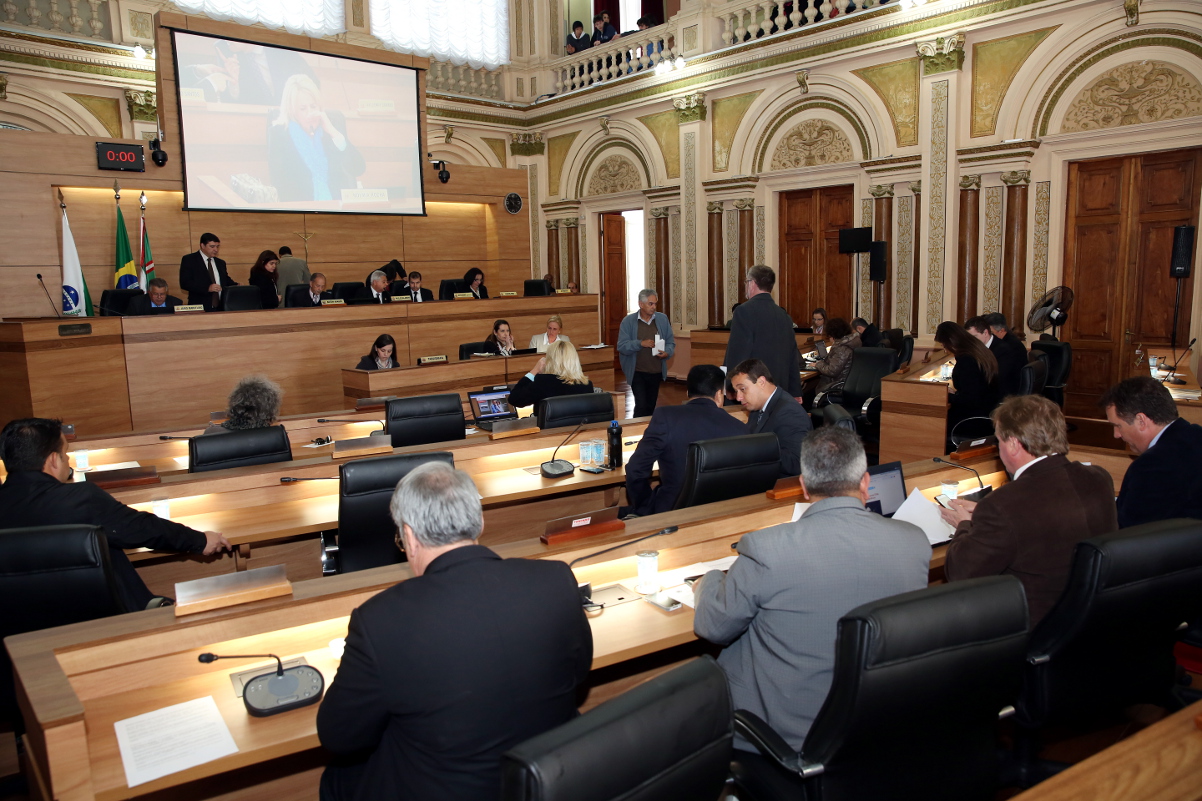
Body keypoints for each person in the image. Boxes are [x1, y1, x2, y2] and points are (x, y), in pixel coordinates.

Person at [316, 462, 592, 801]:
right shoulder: (555, 579)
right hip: (547, 779)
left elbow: (339, 736)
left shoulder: (378, 620)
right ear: (480, 521)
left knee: (337, 778)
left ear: (410, 537)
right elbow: (579, 672)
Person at [693, 427, 930, 752]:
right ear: (865, 482)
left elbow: (713, 626)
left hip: (782, 734)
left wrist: (708, 580)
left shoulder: (766, 548)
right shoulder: (914, 541)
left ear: (803, 487)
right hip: (876, 724)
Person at [0, 418, 231, 611]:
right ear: (53, 460)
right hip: (106, 623)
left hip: (19, 634)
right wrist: (200, 540)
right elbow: (142, 528)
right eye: (65, 453)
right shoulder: (79, 499)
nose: (68, 460)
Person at [940, 395, 1117, 625]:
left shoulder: (1003, 504)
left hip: (1034, 626)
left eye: (999, 441)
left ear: (1014, 444)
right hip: (1094, 620)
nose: (998, 449)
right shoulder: (1099, 478)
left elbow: (960, 573)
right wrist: (985, 511)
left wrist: (964, 524)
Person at [624, 365, 748, 517]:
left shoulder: (665, 417)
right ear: (718, 394)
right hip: (722, 514)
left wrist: (645, 507)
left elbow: (635, 470)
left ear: (688, 392)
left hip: (671, 513)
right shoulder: (739, 428)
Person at [1101, 376, 1202, 528]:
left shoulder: (1151, 467)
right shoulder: (1196, 433)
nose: (1116, 434)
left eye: (1118, 426)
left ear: (1141, 421)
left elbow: (1126, 531)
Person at [267, 74, 366, 203]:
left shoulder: (331, 128)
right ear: (292, 111)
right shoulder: (280, 134)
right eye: (303, 109)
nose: (310, 113)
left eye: (313, 106)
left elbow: (358, 168)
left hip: (338, 207)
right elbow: (280, 184)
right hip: (303, 208)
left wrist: (333, 133)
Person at [724, 265, 803, 397]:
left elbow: (737, 354)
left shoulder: (744, 311)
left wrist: (730, 386)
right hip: (779, 390)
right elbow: (792, 357)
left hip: (754, 389)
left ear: (752, 283)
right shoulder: (784, 316)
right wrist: (795, 391)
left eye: (746, 282)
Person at [730, 358, 813, 477]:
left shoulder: (789, 412)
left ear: (761, 382)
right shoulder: (757, 406)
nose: (738, 397)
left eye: (742, 389)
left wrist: (753, 449)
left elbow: (796, 463)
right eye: (736, 391)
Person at [617, 289, 675, 418]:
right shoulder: (628, 321)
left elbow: (670, 342)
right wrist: (640, 343)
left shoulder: (662, 319)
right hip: (637, 372)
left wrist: (667, 352)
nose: (654, 307)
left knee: (650, 406)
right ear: (641, 304)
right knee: (641, 405)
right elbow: (622, 346)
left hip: (655, 371)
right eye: (650, 304)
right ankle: (635, 429)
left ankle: (649, 429)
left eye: (655, 304)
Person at [934, 321, 1000, 431]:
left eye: (944, 345)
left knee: (933, 423)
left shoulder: (967, 361)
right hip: (987, 413)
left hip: (973, 420)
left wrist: (945, 395)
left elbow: (970, 400)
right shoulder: (979, 350)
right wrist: (956, 393)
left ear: (951, 342)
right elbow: (976, 390)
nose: (945, 350)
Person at [508, 340, 594, 411]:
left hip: (548, 427)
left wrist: (534, 370)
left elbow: (514, 399)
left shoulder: (544, 382)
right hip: (578, 427)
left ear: (550, 360)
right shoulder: (587, 385)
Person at [966, 315, 1023, 397]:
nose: (971, 341)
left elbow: (996, 380)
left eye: (974, 337)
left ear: (985, 333)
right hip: (988, 391)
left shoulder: (1004, 350)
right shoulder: (981, 346)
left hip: (1002, 396)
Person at [179, 232, 237, 311]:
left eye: (217, 246)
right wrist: (207, 288)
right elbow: (185, 283)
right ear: (202, 245)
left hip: (220, 307)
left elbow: (225, 280)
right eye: (212, 246)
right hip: (200, 307)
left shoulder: (220, 262)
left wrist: (236, 285)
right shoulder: (190, 260)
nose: (216, 250)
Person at [810, 317, 861, 399]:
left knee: (807, 392)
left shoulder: (842, 348)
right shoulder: (850, 343)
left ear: (833, 334)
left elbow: (832, 371)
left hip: (836, 386)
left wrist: (818, 364)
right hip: (845, 382)